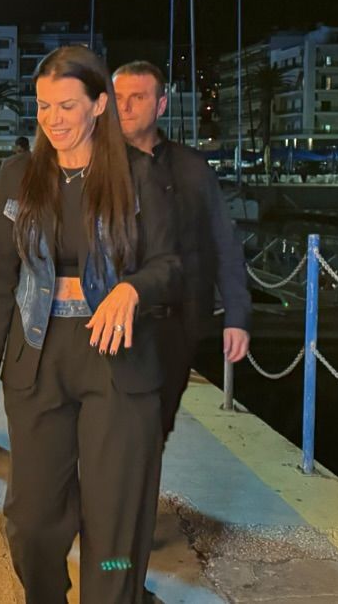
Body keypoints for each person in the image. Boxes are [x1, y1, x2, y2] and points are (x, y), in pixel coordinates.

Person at [0, 46, 181, 603]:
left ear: (99, 105)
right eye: (43, 106)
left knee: (115, 525)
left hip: (118, 360)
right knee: (31, 523)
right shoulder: (17, 175)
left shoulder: (138, 175)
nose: (53, 119)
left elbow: (170, 264)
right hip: (37, 358)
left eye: (67, 105)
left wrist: (133, 289)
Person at [113, 61, 250, 441]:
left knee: (159, 426)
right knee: (120, 432)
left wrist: (237, 316)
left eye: (137, 97)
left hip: (180, 323)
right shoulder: (99, 167)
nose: (125, 107)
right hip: (119, 319)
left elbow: (224, 241)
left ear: (160, 105)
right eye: (118, 98)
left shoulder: (193, 168)